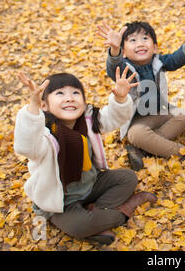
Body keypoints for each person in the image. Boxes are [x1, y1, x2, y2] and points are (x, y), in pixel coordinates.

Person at [14, 67, 157, 245]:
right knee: (79, 226)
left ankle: (95, 213)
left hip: (91, 184)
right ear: (45, 105)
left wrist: (120, 98)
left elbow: (114, 117)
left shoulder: (88, 121)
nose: (69, 98)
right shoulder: (43, 135)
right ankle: (123, 211)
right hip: (62, 202)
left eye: (75, 93)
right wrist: (33, 107)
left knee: (128, 178)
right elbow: (25, 146)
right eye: (60, 93)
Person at [97, 20, 185, 170]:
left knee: (184, 116)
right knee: (136, 135)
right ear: (124, 52)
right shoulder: (125, 68)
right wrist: (115, 49)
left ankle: (143, 150)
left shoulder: (159, 61)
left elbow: (176, 59)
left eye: (145, 38)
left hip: (159, 113)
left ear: (155, 47)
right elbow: (114, 68)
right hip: (136, 121)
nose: (140, 43)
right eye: (132, 40)